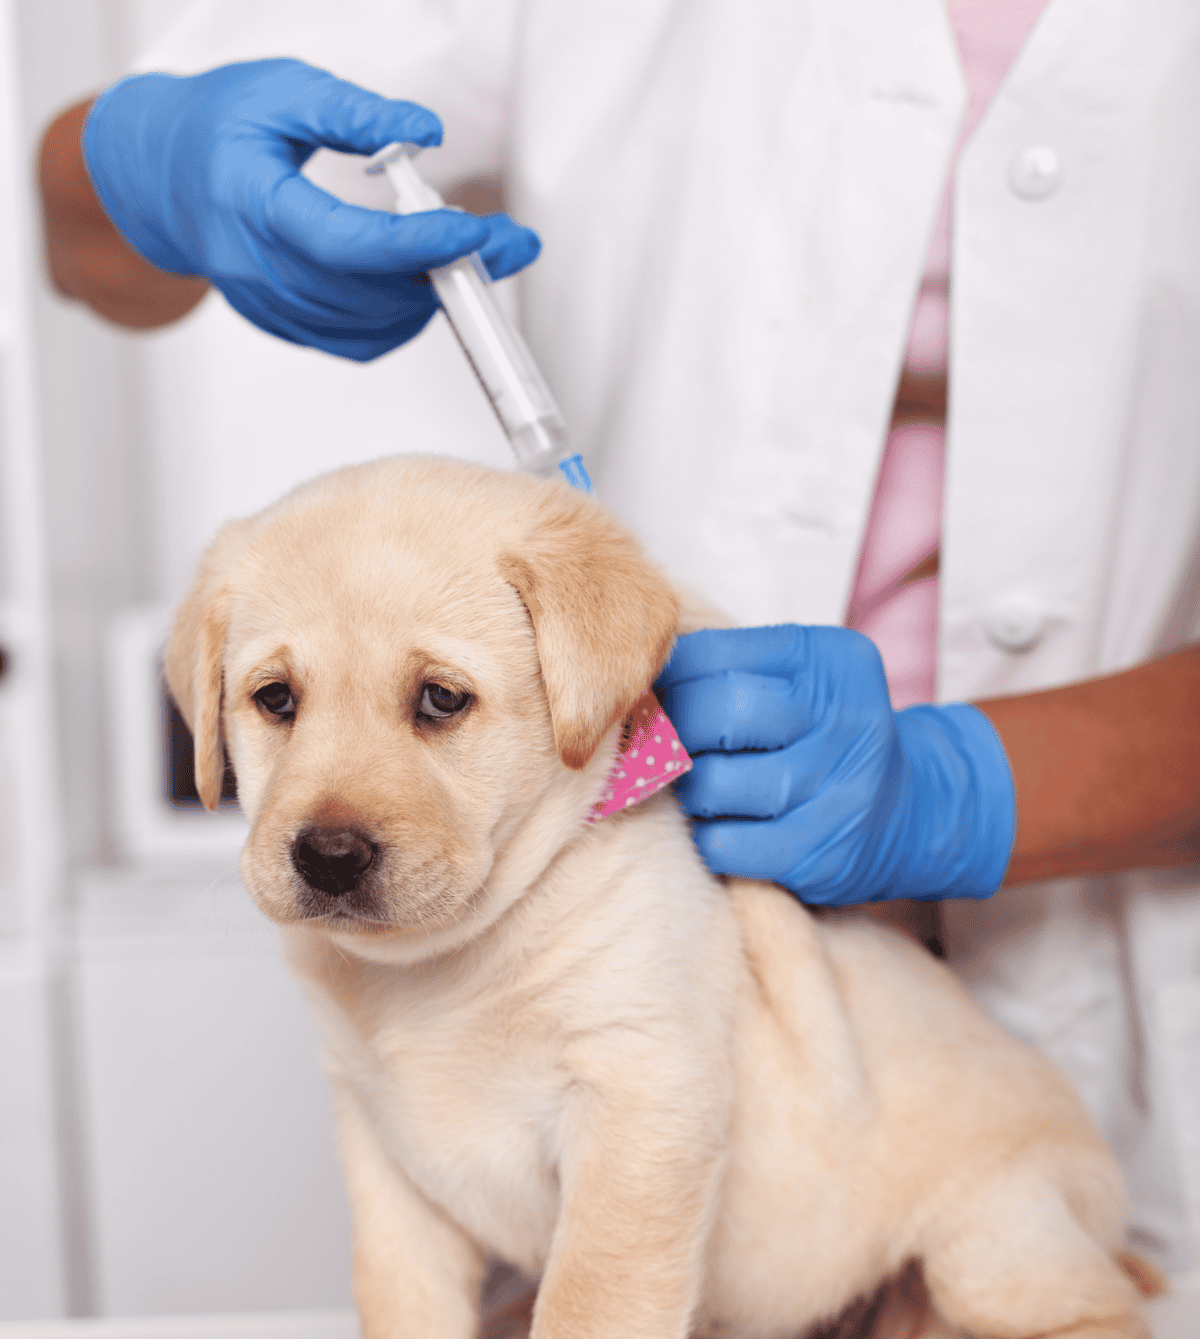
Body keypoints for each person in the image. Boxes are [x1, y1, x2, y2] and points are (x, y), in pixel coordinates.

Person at [39, 1, 1200, 1268]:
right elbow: (77, 228)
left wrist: (965, 789)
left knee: (1047, 1292)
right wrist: (155, 171)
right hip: (615, 933)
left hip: (1122, 952)